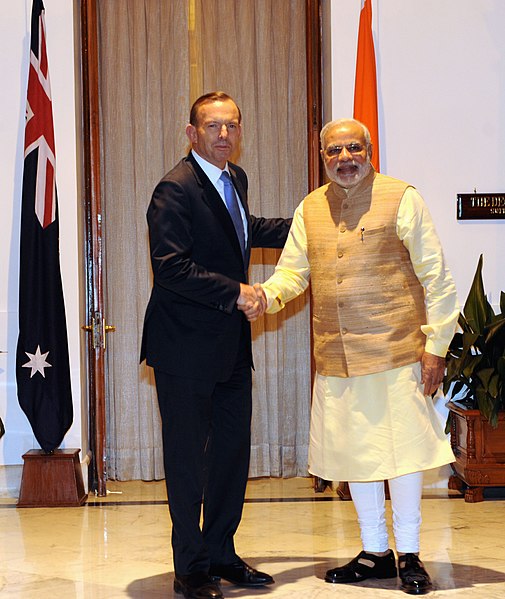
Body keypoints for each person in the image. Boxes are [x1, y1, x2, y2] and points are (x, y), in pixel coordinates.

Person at [256, 118, 459, 595]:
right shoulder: (311, 207)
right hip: (336, 356)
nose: (344, 158)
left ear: (370, 151)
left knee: (403, 455)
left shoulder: (402, 197)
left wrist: (436, 347)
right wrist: (264, 298)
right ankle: (375, 552)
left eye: (353, 148)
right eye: (333, 152)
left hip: (397, 351)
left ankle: (409, 552)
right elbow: (293, 274)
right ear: (322, 157)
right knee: (355, 456)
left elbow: (437, 277)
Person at [140, 91, 291, 599]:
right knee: (187, 462)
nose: (223, 134)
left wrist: (311, 225)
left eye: (232, 125)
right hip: (183, 351)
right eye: (212, 126)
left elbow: (246, 234)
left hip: (230, 349)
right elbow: (172, 268)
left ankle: (223, 554)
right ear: (192, 133)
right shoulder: (174, 190)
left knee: (231, 456)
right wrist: (238, 292)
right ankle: (192, 569)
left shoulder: (235, 180)